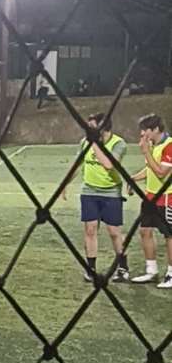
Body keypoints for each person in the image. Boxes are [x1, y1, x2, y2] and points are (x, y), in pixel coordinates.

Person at [62, 113, 129, 282]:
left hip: (111, 192)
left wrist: (94, 144)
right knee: (90, 229)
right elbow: (77, 164)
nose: (88, 130)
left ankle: (122, 267)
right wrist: (65, 183)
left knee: (114, 232)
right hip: (89, 192)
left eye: (92, 127)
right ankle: (90, 268)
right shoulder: (84, 142)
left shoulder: (118, 144)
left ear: (103, 127)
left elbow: (108, 164)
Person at [129, 114, 172, 287]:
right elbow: (150, 169)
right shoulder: (154, 145)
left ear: (155, 129)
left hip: (167, 197)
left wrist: (146, 152)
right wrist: (133, 178)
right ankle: (151, 271)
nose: (142, 133)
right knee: (145, 231)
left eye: (145, 130)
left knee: (169, 236)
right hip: (150, 197)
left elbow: (161, 172)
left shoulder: (169, 146)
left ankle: (170, 274)